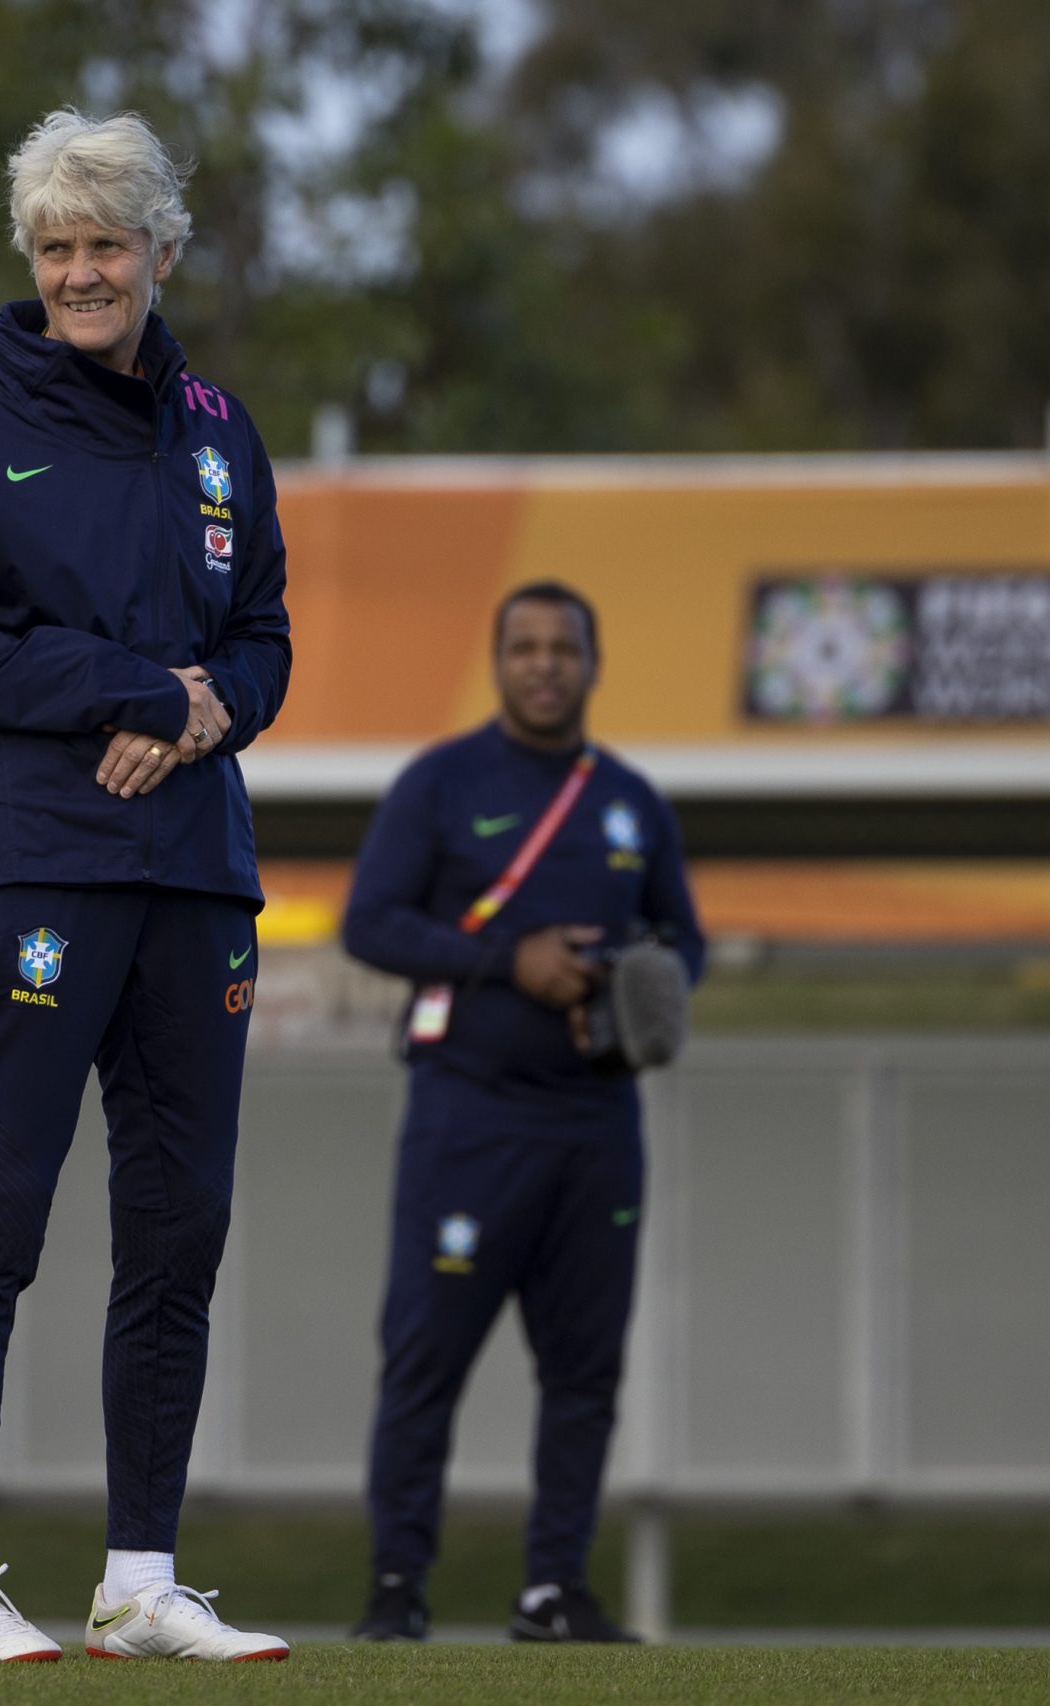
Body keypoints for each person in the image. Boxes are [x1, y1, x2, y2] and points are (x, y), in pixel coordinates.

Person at [0, 107, 291, 1665]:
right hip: (32, 872)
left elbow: (263, 645)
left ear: (163, 250)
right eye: (56, 249)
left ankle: (138, 1576)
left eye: (107, 243)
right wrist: (136, 689)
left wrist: (195, 710)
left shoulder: (220, 429)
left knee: (178, 1230)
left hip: (195, 875)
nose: (81, 273)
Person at [340, 582, 705, 1644]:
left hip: (597, 1127)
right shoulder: (442, 782)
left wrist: (638, 978)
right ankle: (397, 1587)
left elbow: (688, 938)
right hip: (469, 1118)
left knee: (585, 1369)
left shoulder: (632, 800)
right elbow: (371, 921)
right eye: (525, 646)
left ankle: (554, 1590)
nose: (545, 664)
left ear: (594, 662)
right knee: (424, 1359)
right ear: (498, 661)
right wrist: (509, 961)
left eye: (564, 648)